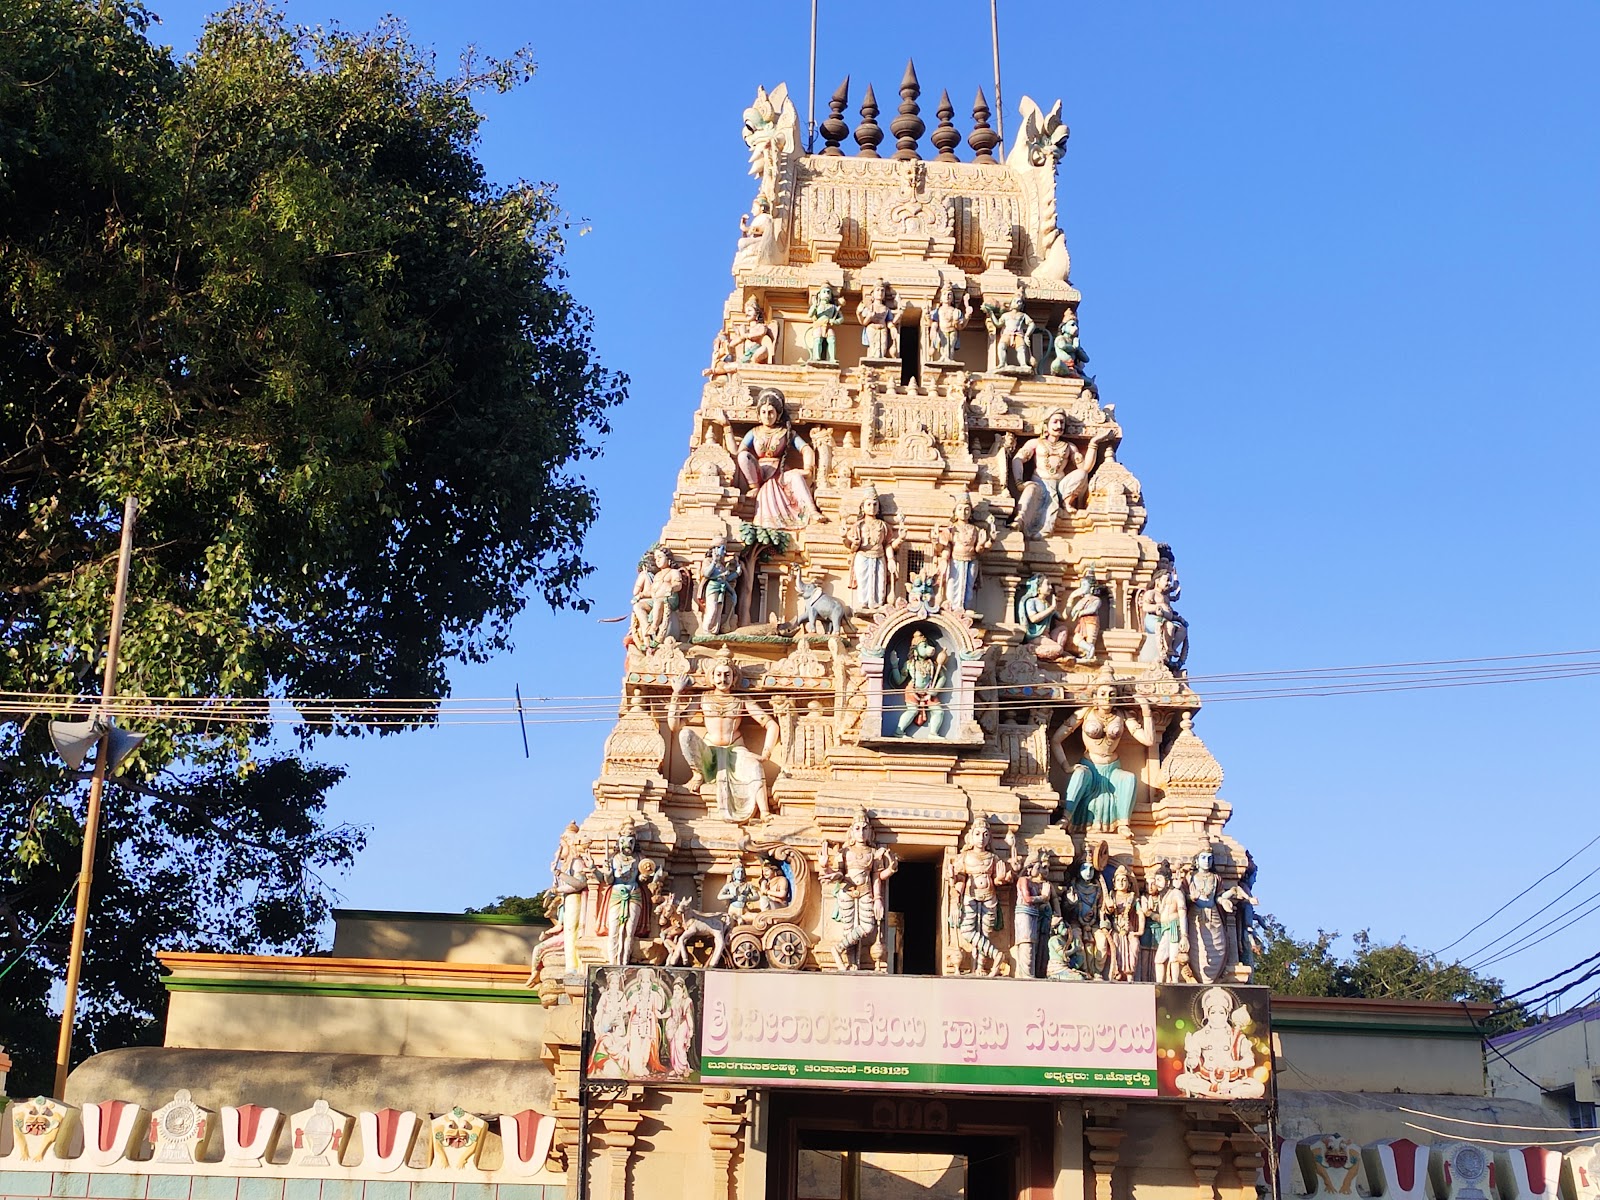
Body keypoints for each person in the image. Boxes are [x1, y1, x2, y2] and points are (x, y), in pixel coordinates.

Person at [669, 647, 780, 824]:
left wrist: (765, 754)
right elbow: (675, 726)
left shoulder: (741, 700)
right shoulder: (703, 699)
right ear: (712, 677)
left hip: (736, 751)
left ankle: (765, 812)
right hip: (709, 751)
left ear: (734, 678)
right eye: (719, 675)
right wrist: (676, 693)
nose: (723, 679)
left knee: (755, 767)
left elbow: (771, 724)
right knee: (685, 734)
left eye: (727, 675)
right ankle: (698, 773)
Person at [1050, 671, 1156, 833]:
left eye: (1112, 694)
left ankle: (1123, 824)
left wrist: (1146, 711)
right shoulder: (1085, 713)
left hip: (1112, 769)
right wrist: (1066, 766)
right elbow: (1056, 740)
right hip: (1089, 767)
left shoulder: (1122, 716)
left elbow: (1148, 741)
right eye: (1103, 693)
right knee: (1079, 774)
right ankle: (1066, 817)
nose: (1107, 698)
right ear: (1095, 697)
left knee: (1129, 778)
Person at [1011, 409, 1113, 537]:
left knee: (1081, 474)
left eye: (1062, 422)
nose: (1059, 426)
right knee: (1030, 490)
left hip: (1060, 486)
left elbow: (1085, 468)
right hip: (1039, 482)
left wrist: (1093, 443)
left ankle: (1066, 503)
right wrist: (1019, 482)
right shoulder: (1036, 443)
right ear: (1046, 425)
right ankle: (1020, 520)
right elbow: (1017, 459)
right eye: (1055, 422)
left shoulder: (1069, 447)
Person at [731, 389, 823, 530]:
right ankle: (754, 487)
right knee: (744, 456)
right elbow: (737, 453)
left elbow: (806, 449)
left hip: (779, 473)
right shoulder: (754, 433)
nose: (767, 416)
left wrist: (808, 469)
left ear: (778, 414)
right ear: (759, 414)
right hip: (759, 472)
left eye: (771, 412)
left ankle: (812, 511)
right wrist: (726, 428)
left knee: (796, 476)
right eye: (764, 412)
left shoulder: (786, 433)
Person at [948, 817, 1016, 976]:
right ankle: (995, 954)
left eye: (985, 835)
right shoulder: (964, 857)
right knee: (967, 930)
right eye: (977, 834)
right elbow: (960, 880)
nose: (981, 838)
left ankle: (979, 967)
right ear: (970, 837)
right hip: (970, 897)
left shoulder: (993, 858)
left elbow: (998, 880)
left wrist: (1001, 878)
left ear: (990, 838)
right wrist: (953, 883)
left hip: (989, 897)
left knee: (985, 932)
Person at [1174, 986, 1266, 1099]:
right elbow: (1192, 1065)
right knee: (1181, 1081)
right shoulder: (1199, 1036)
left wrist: (1235, 1064)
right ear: (1207, 1014)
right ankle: (1218, 1094)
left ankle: (1213, 1095)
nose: (1217, 1016)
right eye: (1213, 1012)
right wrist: (1191, 1054)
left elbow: (1250, 1061)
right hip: (1206, 1081)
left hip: (1233, 1082)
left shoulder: (1238, 1037)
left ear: (1227, 1014)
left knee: (1258, 1087)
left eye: (1221, 1012)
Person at [842, 486, 903, 611]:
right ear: (862, 507)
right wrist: (845, 537)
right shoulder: (858, 526)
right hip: (862, 556)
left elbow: (887, 544)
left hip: (879, 556)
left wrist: (891, 559)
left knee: (879, 581)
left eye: (875, 504)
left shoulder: (883, 526)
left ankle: (878, 603)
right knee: (864, 581)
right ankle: (863, 604)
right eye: (868, 504)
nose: (872, 507)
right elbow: (851, 546)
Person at [888, 629, 948, 737]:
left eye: (928, 645)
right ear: (915, 651)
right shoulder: (910, 664)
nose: (929, 649)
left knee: (938, 711)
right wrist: (894, 665)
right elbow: (899, 680)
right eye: (924, 646)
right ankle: (899, 732)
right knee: (913, 710)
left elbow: (942, 677)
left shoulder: (932, 664)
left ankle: (933, 733)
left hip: (929, 691)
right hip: (913, 691)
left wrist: (935, 690)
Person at [1103, 864, 1145, 981]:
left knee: (1135, 945)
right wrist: (1109, 908)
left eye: (1124, 880)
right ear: (1114, 884)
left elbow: (1140, 913)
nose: (1121, 882)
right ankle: (1116, 972)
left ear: (1129, 883)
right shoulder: (1111, 896)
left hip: (1129, 929)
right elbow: (1104, 912)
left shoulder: (1133, 898)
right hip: (1115, 928)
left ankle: (1130, 973)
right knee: (1114, 943)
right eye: (1118, 880)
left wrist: (1140, 931)